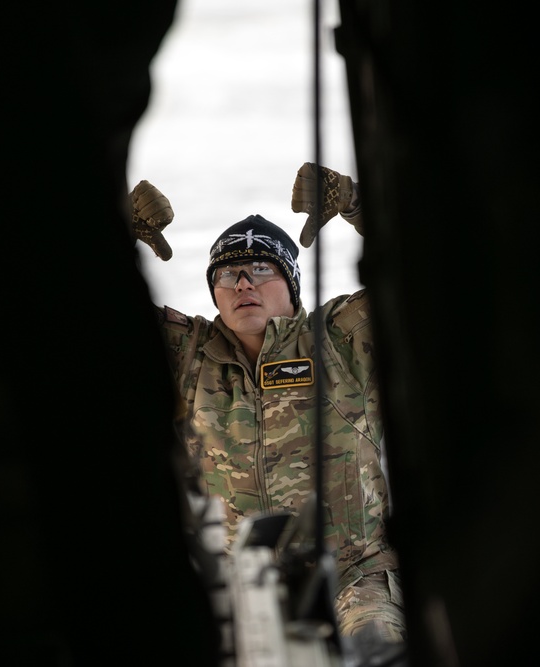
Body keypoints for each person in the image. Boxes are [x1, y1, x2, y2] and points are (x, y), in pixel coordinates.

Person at [129, 162, 406, 665]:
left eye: (261, 269)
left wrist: (357, 203)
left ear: (291, 284)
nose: (243, 284)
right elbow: (63, 309)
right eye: (229, 272)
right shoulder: (187, 356)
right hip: (235, 586)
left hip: (353, 577)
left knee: (375, 654)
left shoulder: (341, 340)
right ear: (213, 290)